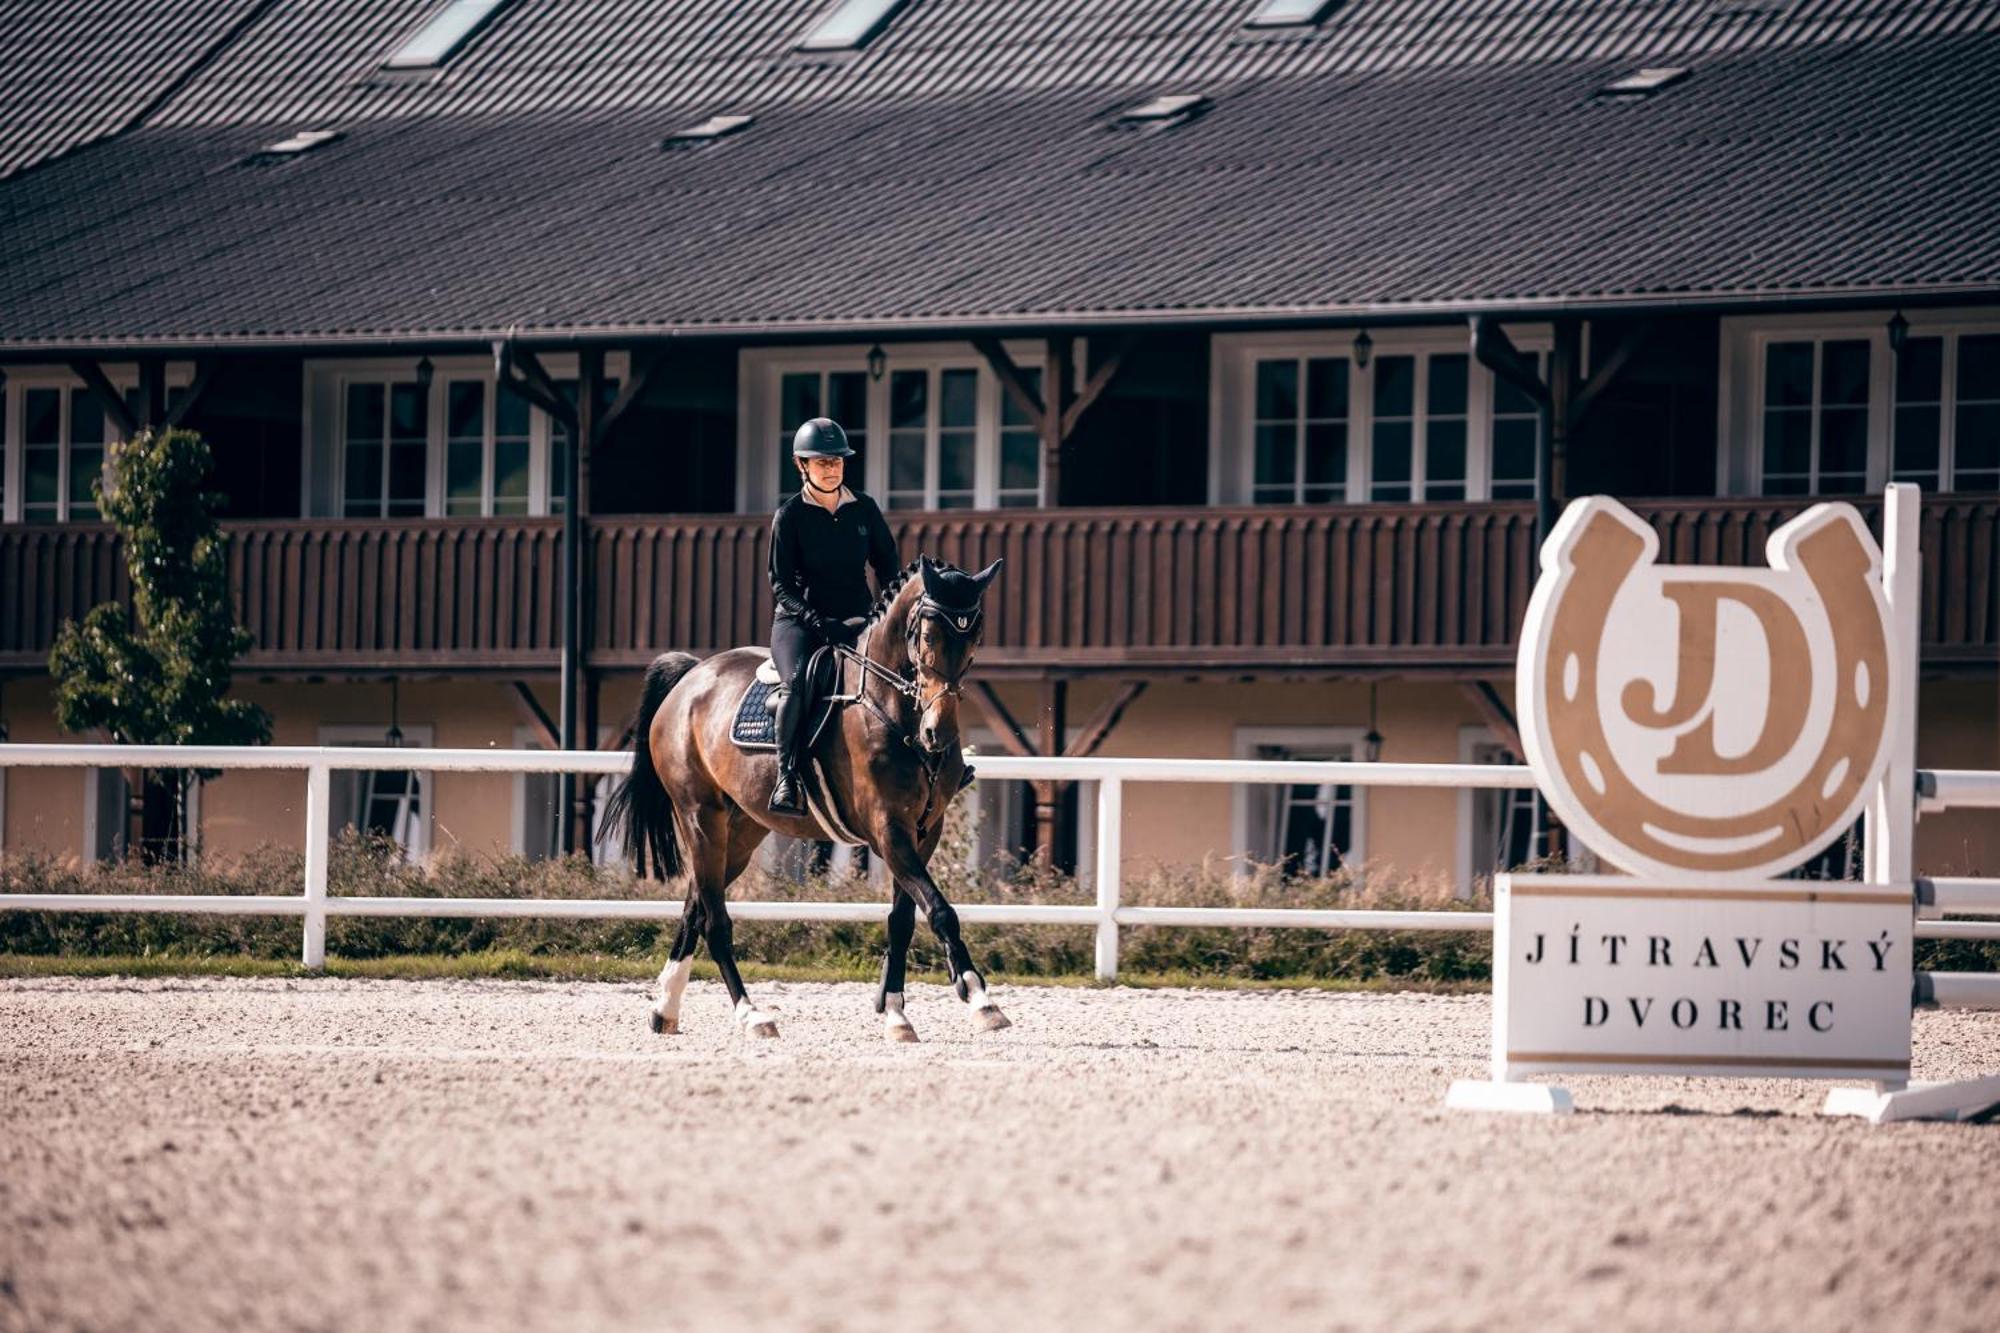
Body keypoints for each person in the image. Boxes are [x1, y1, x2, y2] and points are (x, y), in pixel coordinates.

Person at [767, 417, 899, 815]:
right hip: (801, 623)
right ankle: (786, 777)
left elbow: (888, 568)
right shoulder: (789, 517)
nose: (832, 469)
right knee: (794, 684)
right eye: (822, 462)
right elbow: (781, 585)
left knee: (907, 673)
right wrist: (818, 622)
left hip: (858, 619)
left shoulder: (865, 509)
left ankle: (939, 759)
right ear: (801, 465)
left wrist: (883, 614)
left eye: (837, 461)